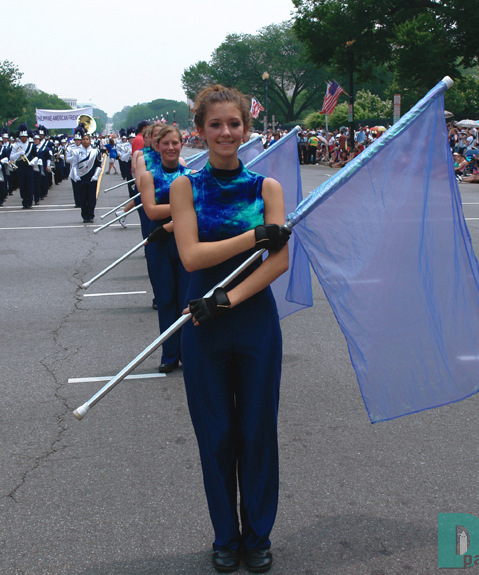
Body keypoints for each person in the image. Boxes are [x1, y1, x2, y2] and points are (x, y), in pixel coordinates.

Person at [170, 85, 290, 574]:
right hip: (202, 321)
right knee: (216, 433)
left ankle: (258, 534)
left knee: (258, 430)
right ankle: (226, 534)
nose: (225, 132)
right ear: (199, 131)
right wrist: (253, 235)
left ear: (247, 129)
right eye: (215, 125)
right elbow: (192, 255)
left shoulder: (267, 189)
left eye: (234, 124)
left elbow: (277, 261)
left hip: (252, 316)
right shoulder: (185, 187)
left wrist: (230, 297)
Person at [139, 125, 192, 372]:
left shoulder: (191, 174)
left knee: (186, 300)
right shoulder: (150, 175)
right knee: (166, 300)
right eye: (166, 144)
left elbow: (199, 209)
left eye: (175, 143)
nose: (171, 148)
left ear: (181, 145)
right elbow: (151, 210)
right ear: (158, 146)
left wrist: (173, 218)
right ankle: (169, 355)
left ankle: (189, 352)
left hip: (185, 241)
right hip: (158, 244)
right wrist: (183, 206)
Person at [71, 133, 102, 222]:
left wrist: (96, 175)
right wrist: (75, 175)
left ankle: (91, 215)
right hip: (81, 178)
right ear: (81, 140)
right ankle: (85, 216)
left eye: (87, 139)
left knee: (91, 198)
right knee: (83, 198)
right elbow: (74, 165)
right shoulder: (77, 152)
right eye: (83, 139)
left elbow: (98, 165)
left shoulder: (95, 151)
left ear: (90, 140)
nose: (85, 141)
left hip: (92, 178)